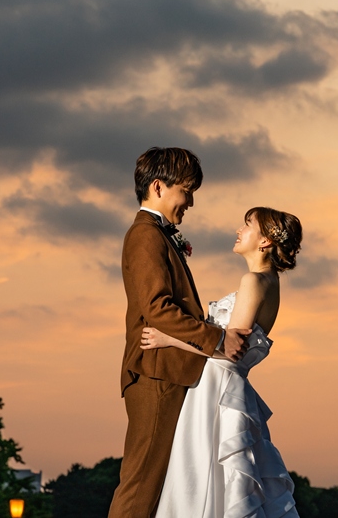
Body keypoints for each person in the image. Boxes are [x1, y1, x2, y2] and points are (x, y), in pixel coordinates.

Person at [108, 147, 251, 518]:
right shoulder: (145, 235)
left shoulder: (158, 234)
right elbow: (157, 308)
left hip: (169, 370)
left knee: (155, 488)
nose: (189, 201)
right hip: (156, 372)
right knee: (141, 486)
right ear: (158, 186)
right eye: (185, 190)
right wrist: (217, 339)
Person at [141, 206, 304, 518]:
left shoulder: (254, 281)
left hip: (217, 390)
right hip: (228, 388)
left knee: (200, 473)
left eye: (247, 225)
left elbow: (230, 349)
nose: (239, 230)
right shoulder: (269, 282)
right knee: (218, 479)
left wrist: (168, 339)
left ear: (265, 241)